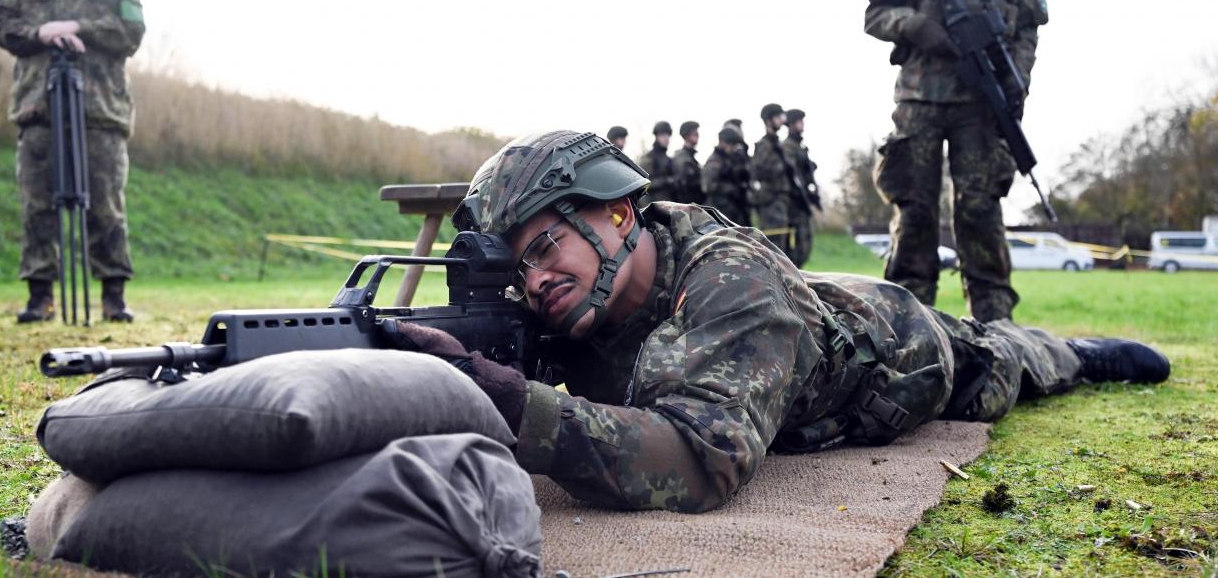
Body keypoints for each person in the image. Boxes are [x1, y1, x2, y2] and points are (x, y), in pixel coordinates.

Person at [387, 131, 1169, 513]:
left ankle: (1074, 351)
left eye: (548, 244)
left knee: (996, 362)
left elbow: (699, 459)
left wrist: (518, 405)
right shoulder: (571, 299)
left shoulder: (734, 283)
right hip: (796, 318)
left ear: (620, 212)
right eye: (518, 265)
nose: (536, 278)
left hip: (893, 354)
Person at [863, 0, 1047, 324]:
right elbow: (874, 13)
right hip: (920, 98)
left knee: (979, 209)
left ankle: (993, 323)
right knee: (915, 209)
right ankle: (905, 323)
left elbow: (1029, 26)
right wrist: (916, 26)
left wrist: (1017, 82)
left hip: (980, 102)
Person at [0, 0, 146, 323]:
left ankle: (114, 297)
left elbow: (131, 32)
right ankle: (40, 297)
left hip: (101, 112)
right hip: (39, 108)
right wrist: (41, 31)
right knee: (37, 204)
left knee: (107, 205)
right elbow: (0, 25)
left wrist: (78, 27)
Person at [749, 104, 795, 257]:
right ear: (768, 120)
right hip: (770, 201)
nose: (781, 121)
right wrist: (781, 166)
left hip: (781, 200)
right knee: (772, 246)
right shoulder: (764, 145)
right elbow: (759, 171)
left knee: (782, 247)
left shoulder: (778, 145)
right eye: (777, 117)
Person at [782, 108, 819, 268]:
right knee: (797, 246)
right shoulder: (788, 146)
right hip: (793, 203)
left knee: (806, 243)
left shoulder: (800, 146)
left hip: (802, 202)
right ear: (790, 124)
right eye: (799, 122)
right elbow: (791, 173)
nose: (802, 125)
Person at [701, 127, 748, 225]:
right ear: (722, 143)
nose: (733, 148)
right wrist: (729, 188)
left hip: (733, 209)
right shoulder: (714, 161)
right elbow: (707, 186)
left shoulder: (729, 159)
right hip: (720, 210)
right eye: (731, 145)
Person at [636, 121, 677, 203]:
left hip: (668, 204)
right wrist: (666, 181)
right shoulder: (649, 158)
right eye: (662, 135)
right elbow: (644, 184)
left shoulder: (668, 159)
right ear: (656, 136)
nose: (666, 138)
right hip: (653, 205)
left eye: (668, 135)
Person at [671, 120, 705, 205]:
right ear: (687, 135)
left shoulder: (690, 157)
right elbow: (683, 186)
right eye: (694, 133)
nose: (698, 135)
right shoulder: (682, 158)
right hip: (688, 207)